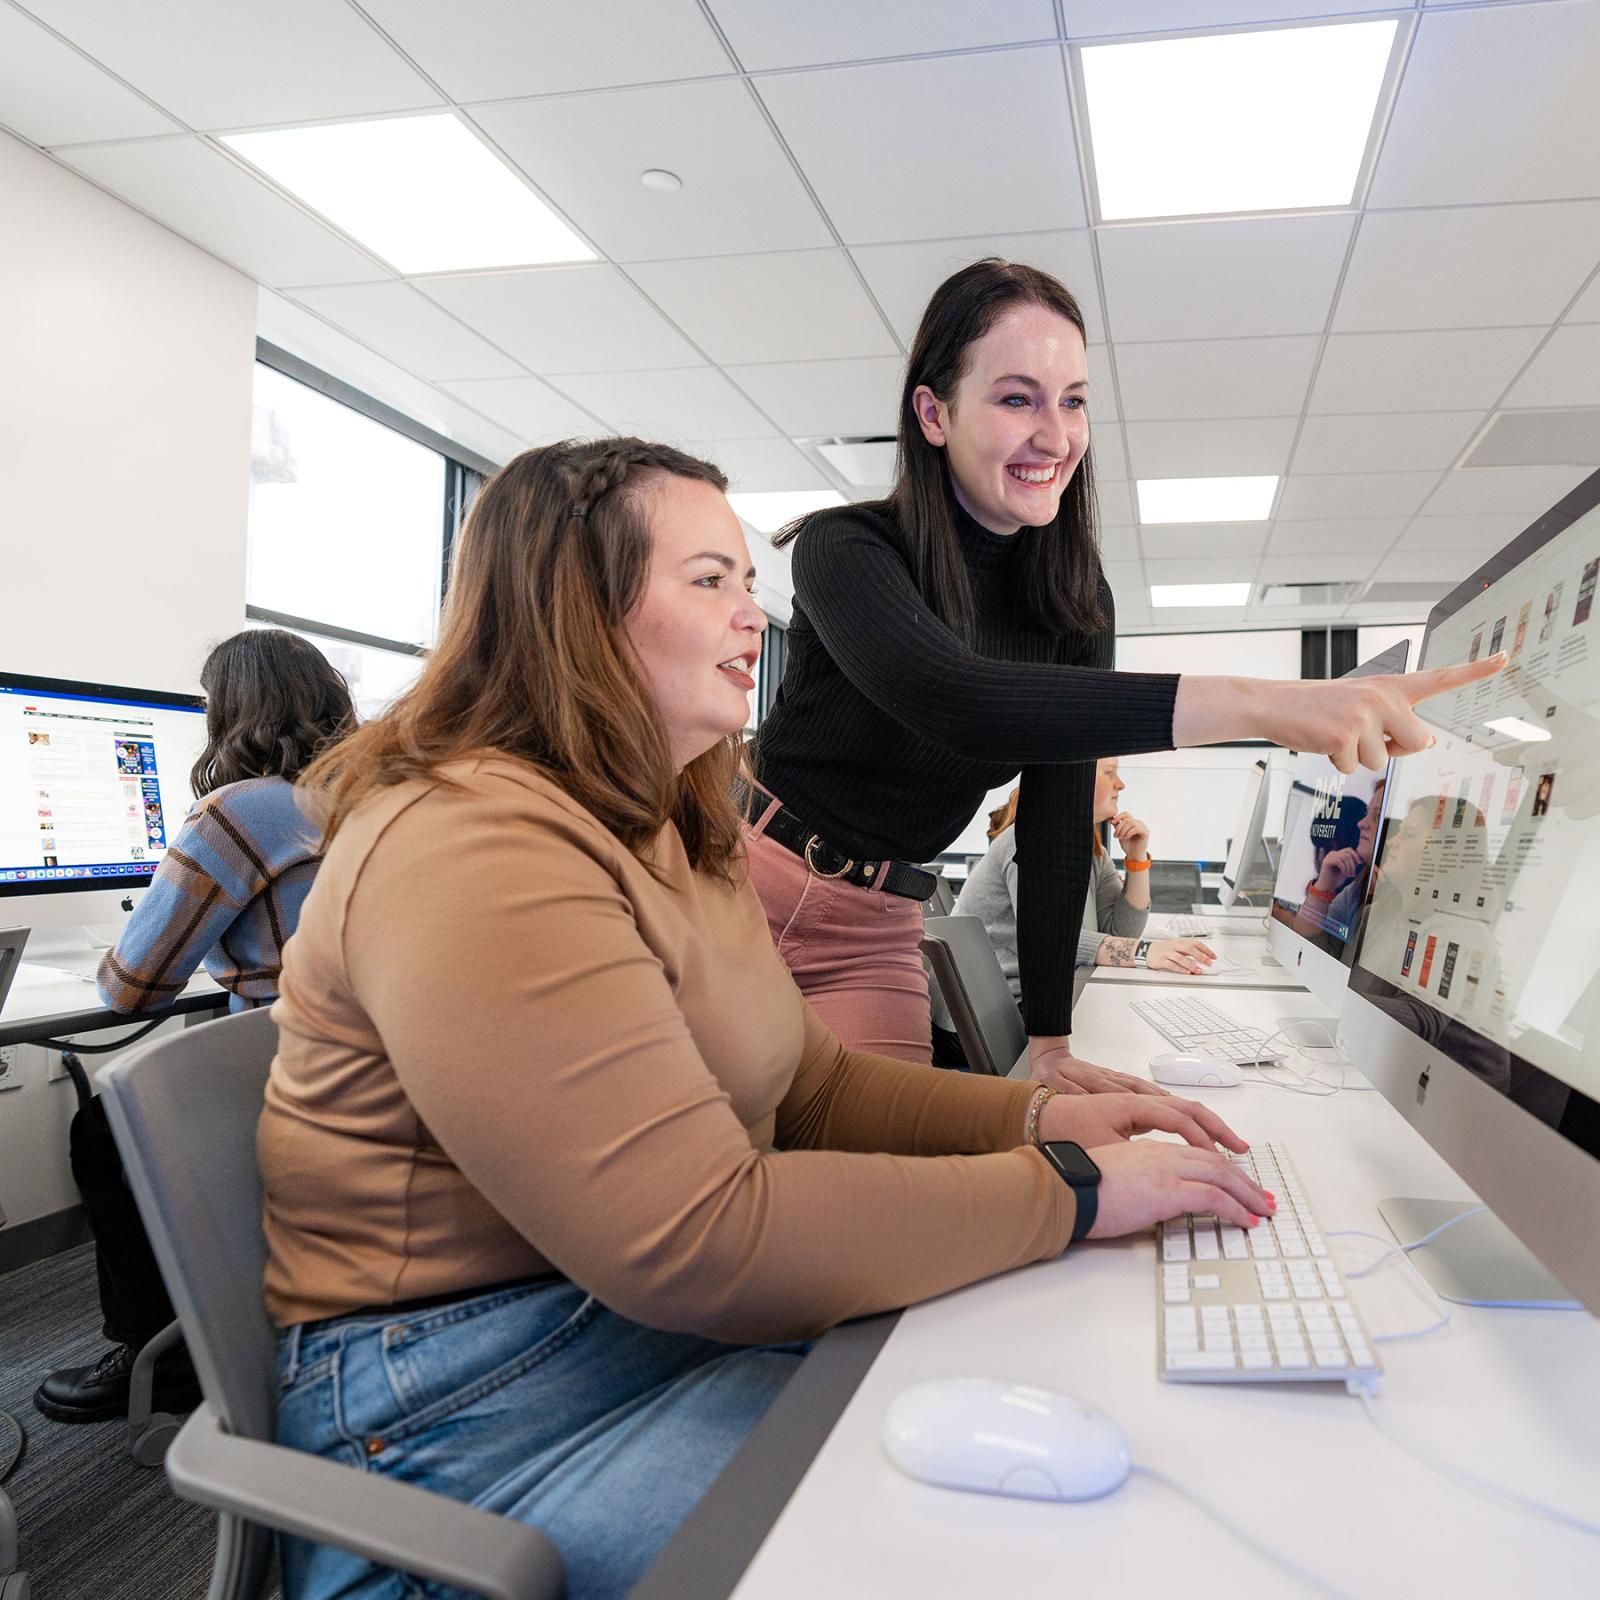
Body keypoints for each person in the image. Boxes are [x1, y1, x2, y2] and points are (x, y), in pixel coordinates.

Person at [260, 438, 1273, 1600]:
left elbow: (817, 1089)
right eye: (710, 582)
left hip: (624, 1324)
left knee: (1050, 1396)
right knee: (999, 1554)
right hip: (464, 1406)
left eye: (749, 583)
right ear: (575, 610)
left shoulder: (669, 820)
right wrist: (1076, 1189)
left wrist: (1044, 1114)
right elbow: (697, 1236)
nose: (755, 619)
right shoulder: (470, 840)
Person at [746, 258, 1503, 1094]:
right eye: (1016, 398)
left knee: (874, 1181)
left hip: (881, 922)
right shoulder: (846, 549)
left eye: (1072, 401)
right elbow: (959, 702)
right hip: (743, 886)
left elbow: (1058, 824)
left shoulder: (1075, 601)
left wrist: (1051, 1043)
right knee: (701, 1182)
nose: (1056, 435)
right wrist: (1267, 703)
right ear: (934, 412)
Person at [33, 629, 354, 1425]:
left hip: (287, 1065)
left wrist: (122, 950)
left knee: (106, 1127)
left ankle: (161, 1358)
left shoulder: (239, 810)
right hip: (359, 1057)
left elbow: (134, 990)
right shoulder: (358, 799)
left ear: (235, 713)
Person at [931, 761, 1214, 1066]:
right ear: (1072, 776)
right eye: (1109, 772)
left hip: (1025, 1002)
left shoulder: (1090, 849)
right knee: (1119, 1040)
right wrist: (1146, 951)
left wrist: (1136, 858)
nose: (1121, 784)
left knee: (1120, 1030)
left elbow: (1121, 930)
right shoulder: (1029, 839)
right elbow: (1050, 938)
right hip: (984, 1018)